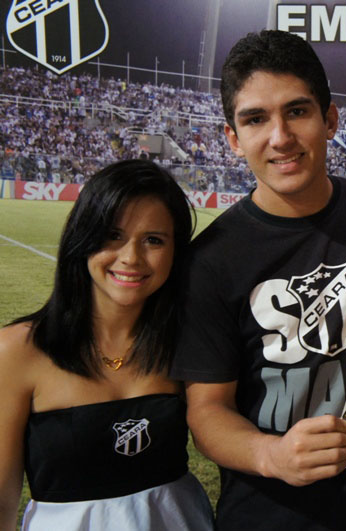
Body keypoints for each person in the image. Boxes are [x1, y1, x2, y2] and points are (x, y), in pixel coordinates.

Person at [170, 30, 346, 530]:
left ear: (330, 119)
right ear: (232, 138)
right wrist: (273, 455)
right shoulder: (210, 261)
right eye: (255, 119)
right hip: (272, 511)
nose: (280, 137)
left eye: (296, 111)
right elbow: (207, 412)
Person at [0, 160, 213, 531]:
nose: (131, 257)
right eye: (113, 235)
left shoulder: (185, 341)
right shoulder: (17, 351)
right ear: (82, 238)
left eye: (154, 240)